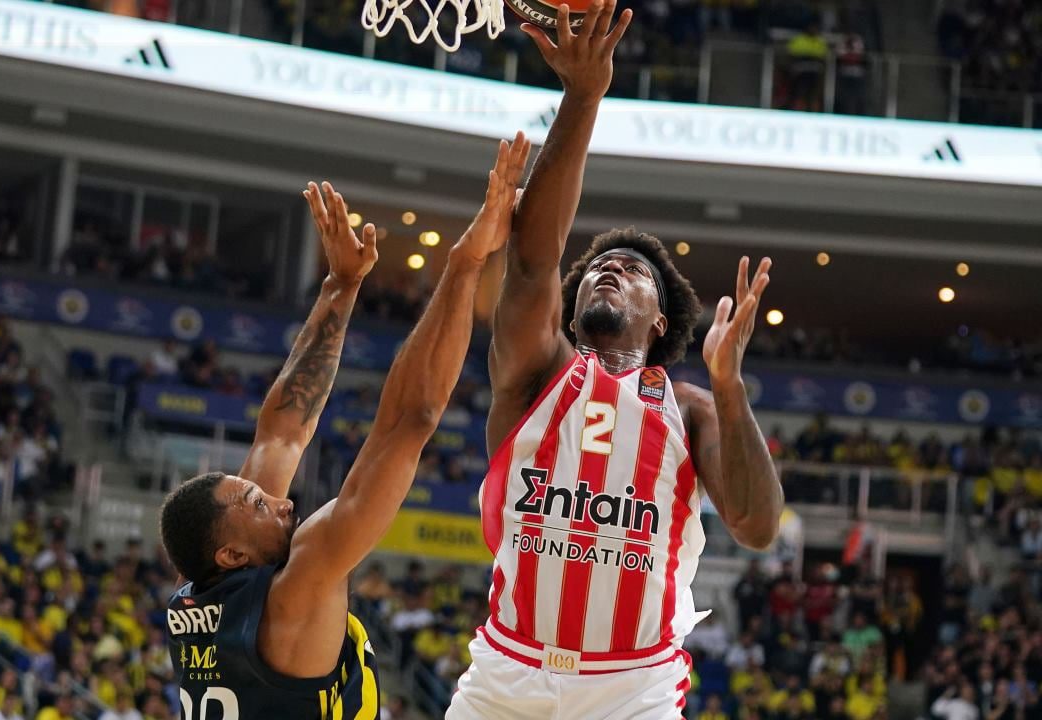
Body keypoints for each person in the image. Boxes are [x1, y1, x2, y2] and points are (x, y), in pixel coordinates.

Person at [448, 1, 783, 716]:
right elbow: (533, 260)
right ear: (568, 315)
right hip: (505, 677)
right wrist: (582, 95)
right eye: (599, 267)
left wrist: (730, 388)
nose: (610, 269)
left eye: (633, 271)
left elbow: (757, 528)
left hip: (632, 689)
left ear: (660, 320)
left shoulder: (691, 408)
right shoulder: (536, 374)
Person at [159, 134, 530, 719]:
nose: (282, 501)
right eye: (258, 504)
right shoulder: (299, 585)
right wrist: (467, 262)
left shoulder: (202, 592)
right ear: (230, 554)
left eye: (260, 496)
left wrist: (340, 285)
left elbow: (282, 432)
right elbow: (408, 421)